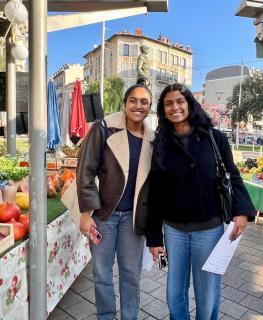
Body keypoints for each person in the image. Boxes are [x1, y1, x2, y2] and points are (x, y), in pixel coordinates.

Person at [145, 83, 255, 320]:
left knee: (207, 291)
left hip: (209, 227)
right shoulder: (161, 144)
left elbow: (232, 176)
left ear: (190, 104)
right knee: (175, 290)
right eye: (168, 103)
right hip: (174, 229)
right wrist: (154, 238)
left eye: (179, 101)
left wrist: (242, 212)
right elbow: (155, 193)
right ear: (163, 110)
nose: (175, 107)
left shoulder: (214, 138)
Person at [76, 84, 154, 320]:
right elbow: (85, 171)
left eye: (144, 102)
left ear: (149, 107)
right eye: (133, 100)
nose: (138, 106)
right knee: (102, 273)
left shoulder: (154, 139)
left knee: (131, 273)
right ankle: (106, 316)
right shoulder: (103, 129)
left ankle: (130, 317)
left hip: (133, 218)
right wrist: (86, 213)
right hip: (104, 215)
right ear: (124, 103)